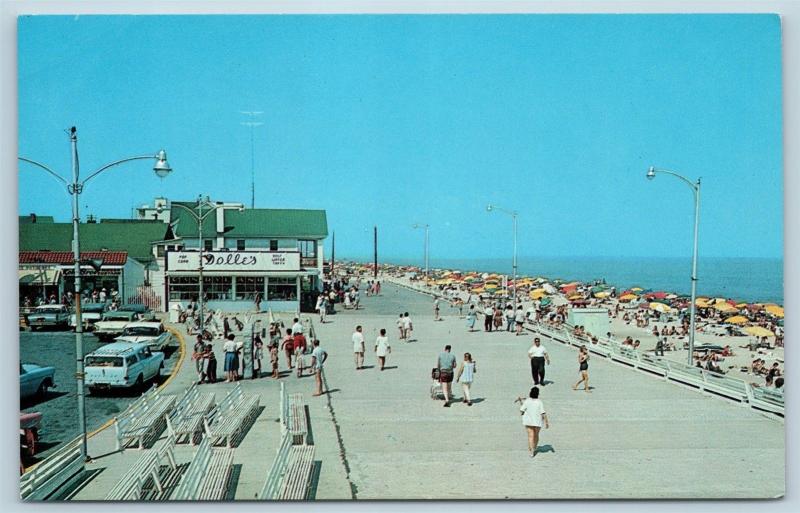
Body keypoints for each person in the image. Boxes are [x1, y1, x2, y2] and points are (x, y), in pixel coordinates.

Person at [517, 386, 549, 458]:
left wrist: (520, 401)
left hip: (528, 421)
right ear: (538, 394)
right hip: (537, 421)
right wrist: (546, 422)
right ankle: (534, 447)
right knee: (536, 435)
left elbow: (522, 410)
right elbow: (543, 413)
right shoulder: (539, 402)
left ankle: (531, 451)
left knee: (530, 436)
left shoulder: (527, 401)